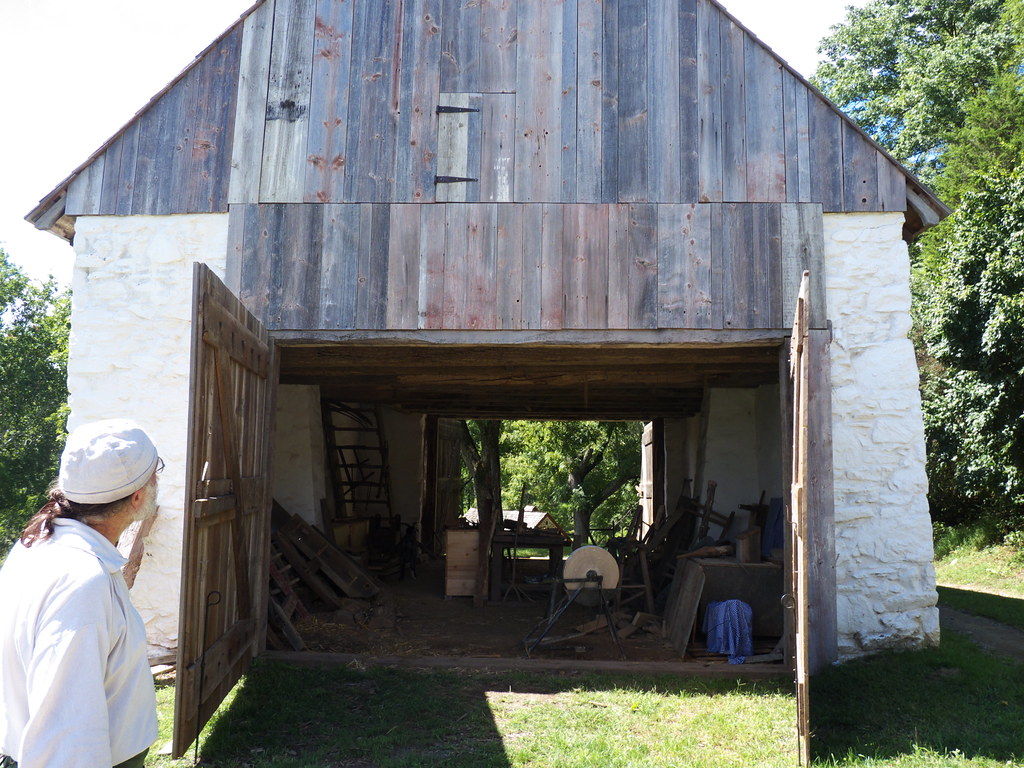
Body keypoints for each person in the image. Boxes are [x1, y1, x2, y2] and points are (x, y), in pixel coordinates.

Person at [0, 420, 162, 768]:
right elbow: (67, 734)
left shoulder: (40, 543)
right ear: (138, 498)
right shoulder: (81, 581)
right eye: (155, 474)